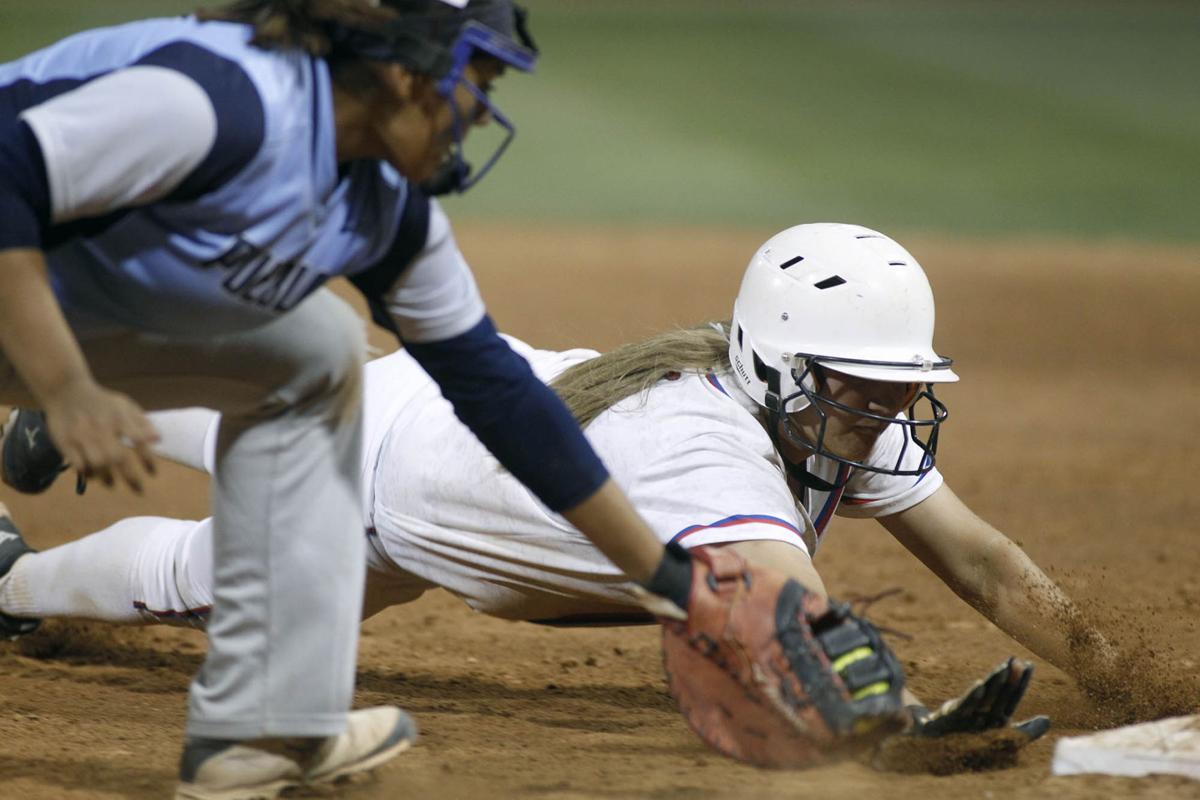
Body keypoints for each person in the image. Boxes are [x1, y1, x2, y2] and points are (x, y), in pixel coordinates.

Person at [2, 223, 1113, 740]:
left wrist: (1118, 668)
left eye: (890, 386)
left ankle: (74, 410)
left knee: (307, 402)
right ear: (775, 358)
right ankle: (11, 580)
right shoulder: (709, 448)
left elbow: (982, 556)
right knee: (213, 580)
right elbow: (782, 609)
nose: (874, 410)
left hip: (442, 411)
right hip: (388, 487)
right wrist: (898, 717)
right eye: (852, 385)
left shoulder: (819, 415)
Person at [0, 2, 719, 797]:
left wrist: (669, 578)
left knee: (315, 354)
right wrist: (65, 387)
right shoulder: (223, 99)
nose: (483, 112)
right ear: (405, 68)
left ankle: (260, 732)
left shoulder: (384, 211)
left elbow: (499, 393)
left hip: (60, 299)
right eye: (476, 80)